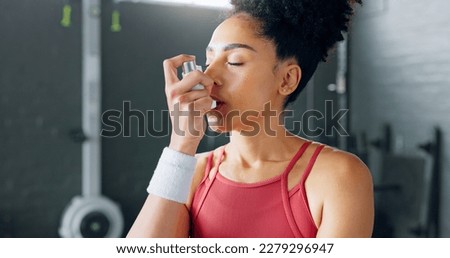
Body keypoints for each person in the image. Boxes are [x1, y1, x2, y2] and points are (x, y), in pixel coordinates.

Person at [127, 0, 373, 238]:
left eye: (235, 62)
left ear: (287, 79)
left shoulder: (339, 176)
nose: (209, 77)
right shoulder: (192, 172)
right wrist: (181, 146)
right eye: (209, 61)